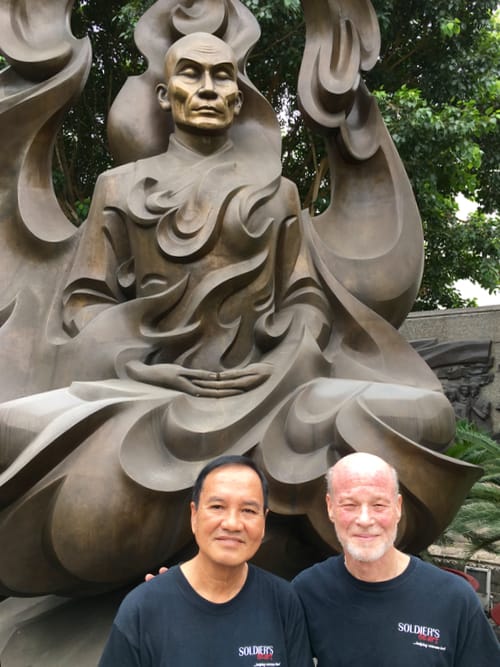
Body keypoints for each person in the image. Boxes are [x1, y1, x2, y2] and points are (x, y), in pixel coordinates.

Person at [0, 29, 477, 598]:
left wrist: (297, 352)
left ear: (237, 96)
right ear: (164, 94)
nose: (206, 88)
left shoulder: (278, 193)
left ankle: (175, 506)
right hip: (150, 393)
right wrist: (143, 367)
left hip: (274, 390)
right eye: (190, 75)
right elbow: (84, 303)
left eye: (221, 75)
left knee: (425, 415)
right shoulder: (119, 187)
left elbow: (303, 297)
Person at [98, 455, 313, 666]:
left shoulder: (283, 602)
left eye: (248, 510)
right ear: (194, 515)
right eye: (217, 507)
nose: (232, 524)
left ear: (263, 521)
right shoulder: (143, 608)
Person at [292, 452, 500, 665]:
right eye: (349, 505)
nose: (364, 519)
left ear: (398, 508)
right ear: (330, 507)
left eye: (379, 505)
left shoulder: (454, 599)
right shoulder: (308, 591)